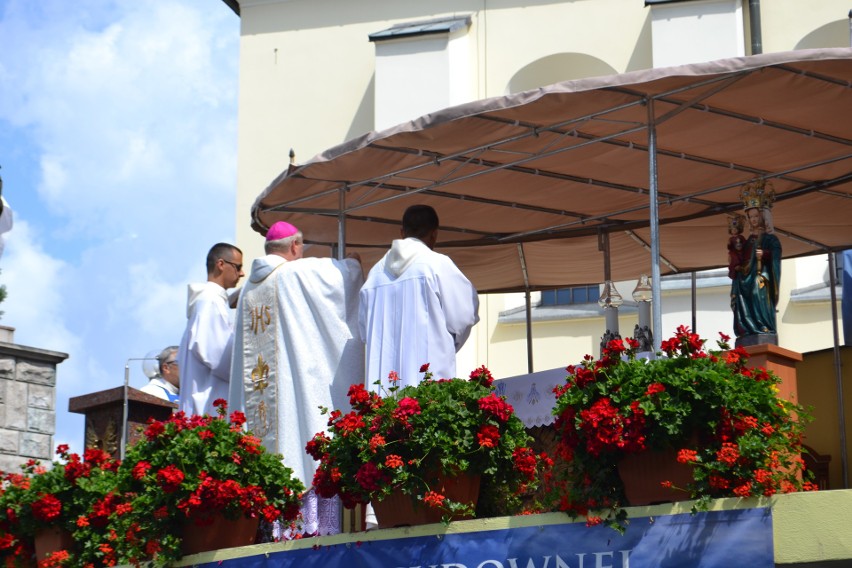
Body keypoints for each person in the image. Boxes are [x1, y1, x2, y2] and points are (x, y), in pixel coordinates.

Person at [228, 221, 364, 536]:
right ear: (294, 247)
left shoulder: (248, 289)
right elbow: (342, 279)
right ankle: (313, 529)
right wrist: (354, 264)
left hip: (263, 407)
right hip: (292, 399)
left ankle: (274, 530)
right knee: (298, 445)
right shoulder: (294, 274)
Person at [359, 204, 479, 390]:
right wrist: (445, 346)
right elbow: (463, 317)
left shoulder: (375, 275)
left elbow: (365, 332)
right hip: (428, 383)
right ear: (434, 234)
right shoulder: (437, 265)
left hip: (383, 390)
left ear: (401, 232)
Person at [178, 242, 244, 416]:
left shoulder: (212, 301)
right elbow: (219, 355)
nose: (242, 273)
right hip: (208, 404)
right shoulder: (209, 301)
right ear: (221, 264)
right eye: (238, 267)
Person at [730, 182, 781, 343]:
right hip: (745, 275)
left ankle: (762, 325)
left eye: (756, 216)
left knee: (756, 287)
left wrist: (765, 254)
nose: (753, 220)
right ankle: (746, 328)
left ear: (763, 216)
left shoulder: (770, 239)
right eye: (750, 217)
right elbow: (740, 257)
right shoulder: (748, 240)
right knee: (738, 288)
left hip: (762, 276)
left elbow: (776, 254)